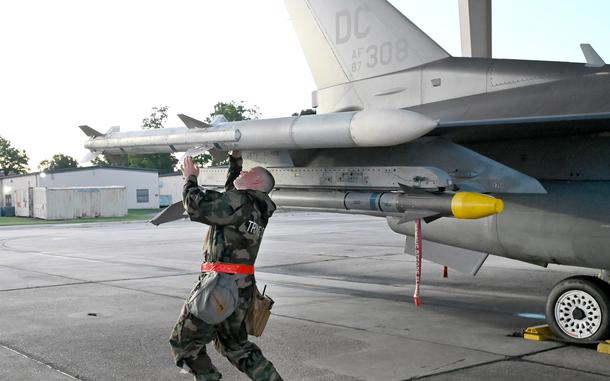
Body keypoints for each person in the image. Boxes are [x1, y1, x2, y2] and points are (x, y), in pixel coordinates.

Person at [169, 151, 282, 381]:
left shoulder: (239, 202)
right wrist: (235, 160)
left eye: (247, 172)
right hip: (241, 289)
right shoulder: (256, 208)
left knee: (184, 343)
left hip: (220, 287)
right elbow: (234, 189)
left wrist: (189, 178)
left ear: (257, 181)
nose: (243, 173)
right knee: (236, 346)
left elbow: (196, 206)